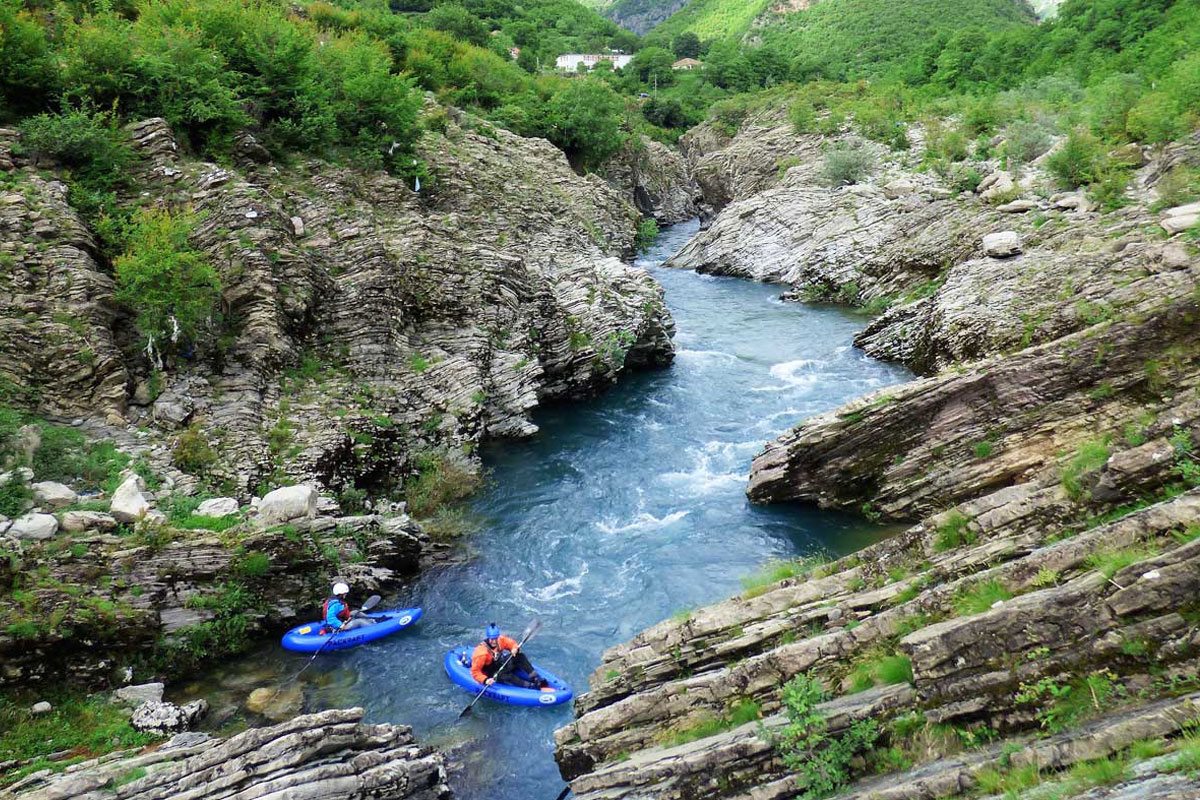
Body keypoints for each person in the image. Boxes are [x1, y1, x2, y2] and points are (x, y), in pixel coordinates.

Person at [471, 623, 551, 690]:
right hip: (491, 673)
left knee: (520, 656)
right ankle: (531, 686)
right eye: (492, 639)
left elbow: (511, 643)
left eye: (495, 638)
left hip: (501, 663)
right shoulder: (481, 653)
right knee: (506, 676)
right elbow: (475, 672)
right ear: (488, 638)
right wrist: (485, 680)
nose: (494, 641)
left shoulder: (500, 640)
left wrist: (514, 648)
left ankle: (536, 678)